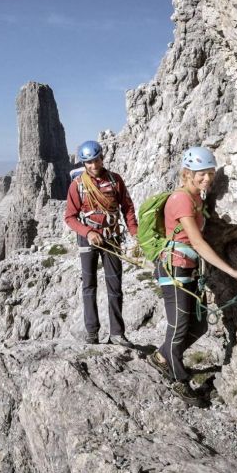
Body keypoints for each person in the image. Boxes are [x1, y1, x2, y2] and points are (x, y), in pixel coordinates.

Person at [145, 146, 237, 407]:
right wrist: (231, 271)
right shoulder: (181, 199)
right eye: (202, 174)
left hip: (189, 268)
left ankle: (163, 356)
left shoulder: (198, 200)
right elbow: (198, 243)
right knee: (179, 326)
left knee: (199, 325)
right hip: (174, 268)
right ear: (188, 173)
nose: (207, 179)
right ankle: (179, 381)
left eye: (210, 174)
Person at [64, 140, 138, 346]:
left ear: (102, 158)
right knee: (89, 285)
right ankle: (92, 333)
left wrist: (135, 233)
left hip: (112, 237)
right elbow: (70, 217)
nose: (93, 165)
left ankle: (117, 333)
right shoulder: (77, 185)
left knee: (115, 285)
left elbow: (127, 207)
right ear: (84, 164)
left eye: (96, 160)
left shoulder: (115, 181)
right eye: (88, 162)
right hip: (88, 239)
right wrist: (87, 232)